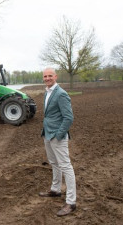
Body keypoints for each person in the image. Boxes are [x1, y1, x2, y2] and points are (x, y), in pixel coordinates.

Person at [39, 67, 76, 216]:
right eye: (45, 76)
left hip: (57, 136)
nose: (47, 78)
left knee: (66, 166)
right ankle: (55, 190)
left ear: (55, 76)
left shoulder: (61, 94)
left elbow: (68, 118)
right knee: (54, 163)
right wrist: (48, 134)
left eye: (50, 76)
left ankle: (71, 202)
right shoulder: (47, 92)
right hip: (47, 134)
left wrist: (59, 135)